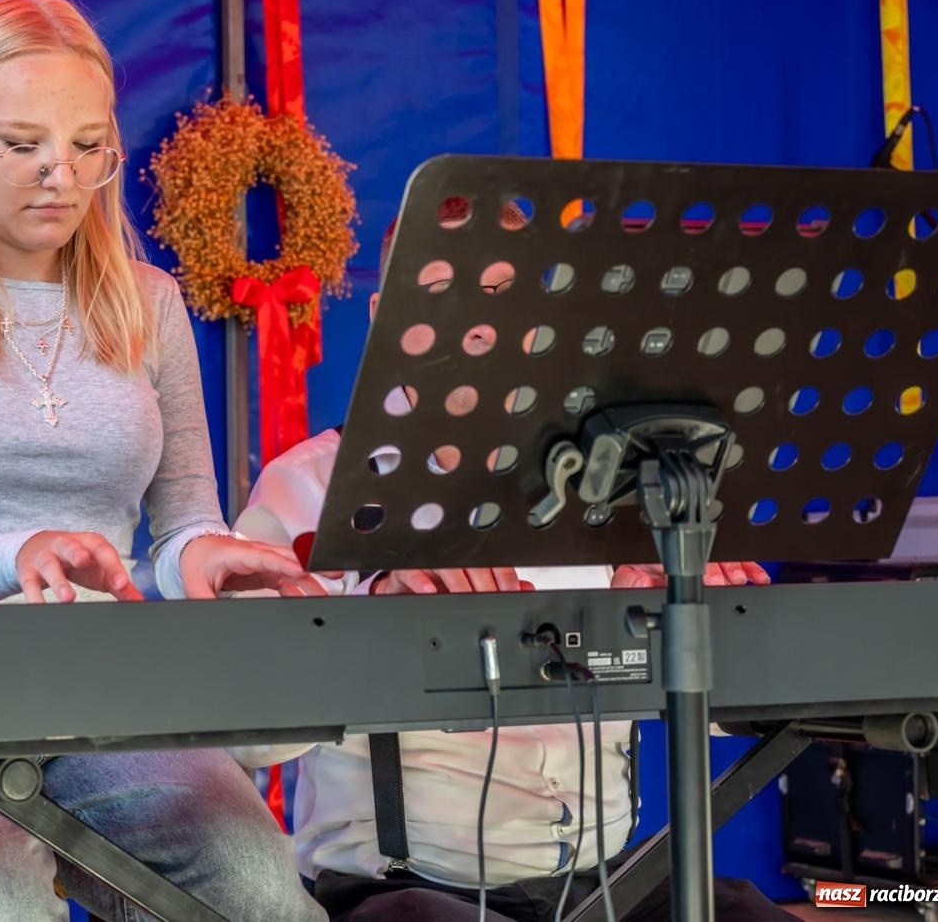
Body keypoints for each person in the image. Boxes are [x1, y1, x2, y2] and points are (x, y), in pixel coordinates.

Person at [0, 0, 324, 922]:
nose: (61, 176)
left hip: (96, 692)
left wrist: (208, 554)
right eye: (22, 143)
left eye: (88, 146)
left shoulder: (150, 305)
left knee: (258, 887)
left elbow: (184, 518)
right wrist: (13, 554)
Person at [218, 214, 790, 922]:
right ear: (381, 314)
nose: (476, 324)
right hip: (407, 893)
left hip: (610, 883)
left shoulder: (616, 480)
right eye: (441, 293)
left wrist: (692, 613)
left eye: (502, 295)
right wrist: (374, 618)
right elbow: (244, 738)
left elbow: (730, 720)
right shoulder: (307, 485)